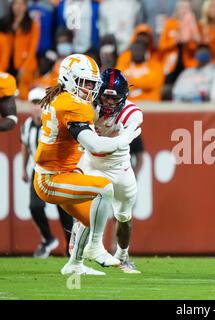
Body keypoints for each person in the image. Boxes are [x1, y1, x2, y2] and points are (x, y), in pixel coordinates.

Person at [34, 53, 141, 275]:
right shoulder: (72, 104)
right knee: (103, 189)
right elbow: (96, 146)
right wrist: (125, 138)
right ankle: (95, 247)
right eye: (86, 83)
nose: (91, 89)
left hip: (67, 170)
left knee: (93, 215)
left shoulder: (68, 99)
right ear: (69, 79)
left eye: (93, 84)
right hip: (52, 177)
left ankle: (74, 264)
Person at [71, 68, 143, 274]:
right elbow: (94, 144)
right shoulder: (86, 107)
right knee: (88, 205)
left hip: (120, 167)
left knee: (124, 216)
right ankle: (82, 251)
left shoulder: (132, 113)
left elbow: (115, 144)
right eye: (105, 97)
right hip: (92, 163)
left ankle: (122, 255)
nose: (110, 103)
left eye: (115, 99)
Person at [21, 87, 73, 258]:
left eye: (40, 103)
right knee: (35, 207)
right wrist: (23, 167)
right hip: (37, 170)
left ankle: (69, 248)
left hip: (56, 171)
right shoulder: (27, 126)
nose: (37, 107)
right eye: (34, 103)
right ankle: (48, 238)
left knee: (64, 213)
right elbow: (25, 146)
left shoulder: (52, 123)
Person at [0, 0, 40, 100]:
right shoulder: (4, 22)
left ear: (25, 6)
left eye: (21, 4)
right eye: (15, 3)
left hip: (23, 63)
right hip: (5, 61)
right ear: (12, 5)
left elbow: (32, 49)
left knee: (23, 95)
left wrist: (25, 66)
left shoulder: (32, 25)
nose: (18, 7)